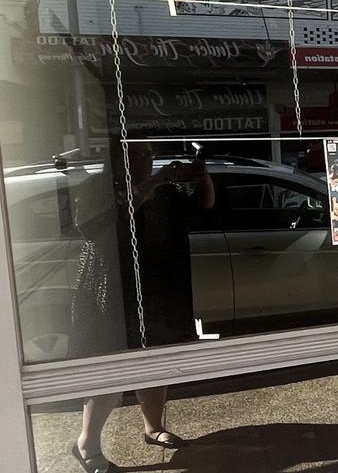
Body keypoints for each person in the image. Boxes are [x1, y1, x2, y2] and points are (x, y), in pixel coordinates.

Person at [69, 140, 214, 473]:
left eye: (149, 153)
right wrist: (158, 180)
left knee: (155, 359)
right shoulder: (95, 187)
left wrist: (202, 178)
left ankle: (153, 427)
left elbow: (201, 209)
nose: (146, 159)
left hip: (156, 286)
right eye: (137, 153)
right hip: (112, 287)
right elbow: (102, 223)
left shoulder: (163, 189)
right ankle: (87, 442)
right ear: (118, 157)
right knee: (112, 366)